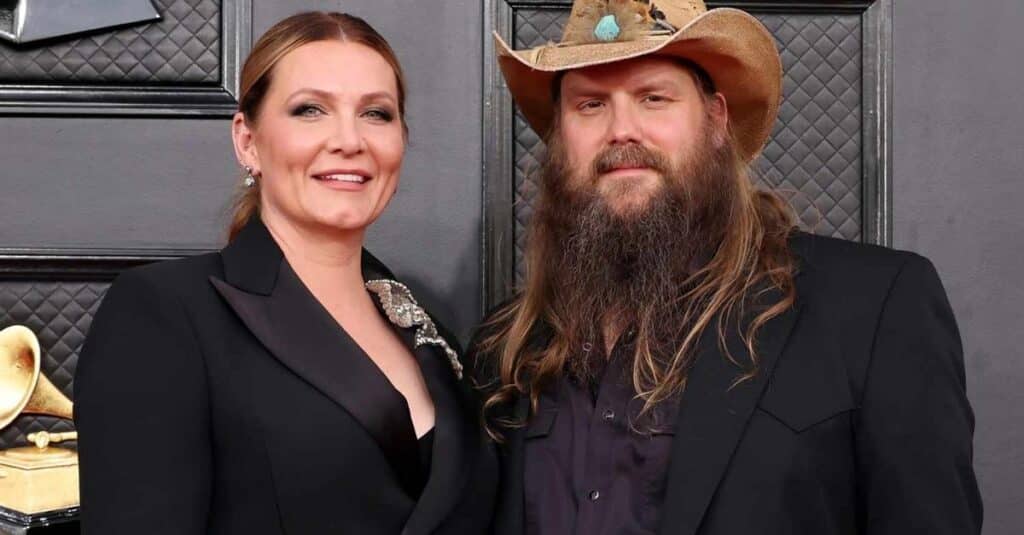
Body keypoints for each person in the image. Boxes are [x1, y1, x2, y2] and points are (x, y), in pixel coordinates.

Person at [469, 1, 982, 534]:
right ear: (560, 137)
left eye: (653, 98)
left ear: (716, 120)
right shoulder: (504, 350)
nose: (622, 130)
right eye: (591, 105)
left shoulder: (873, 308)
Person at [73, 12, 496, 535]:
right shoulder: (165, 314)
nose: (349, 139)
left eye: (377, 114)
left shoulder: (429, 329)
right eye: (310, 110)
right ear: (248, 141)